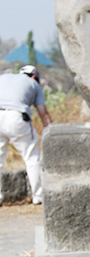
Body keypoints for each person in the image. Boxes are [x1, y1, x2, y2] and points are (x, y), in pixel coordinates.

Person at [0, 65, 52, 205]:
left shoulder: (4, 77)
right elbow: (43, 113)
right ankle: (38, 196)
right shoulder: (34, 84)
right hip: (16, 117)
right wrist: (52, 134)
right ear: (34, 76)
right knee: (32, 157)